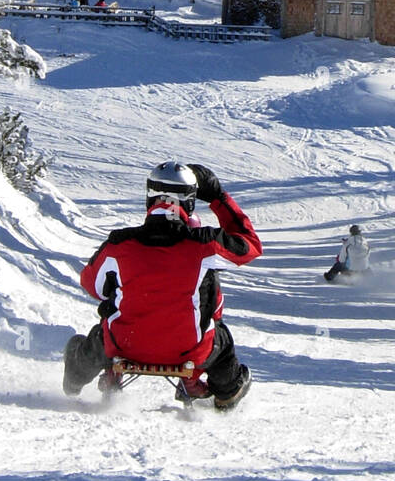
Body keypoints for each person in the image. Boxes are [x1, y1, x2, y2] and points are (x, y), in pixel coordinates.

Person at [63, 161, 261, 409]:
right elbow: (251, 245)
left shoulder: (119, 244)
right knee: (221, 338)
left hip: (126, 344)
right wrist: (218, 197)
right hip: (189, 351)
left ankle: (75, 376)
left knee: (104, 331)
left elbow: (92, 285)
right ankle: (226, 391)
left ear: (150, 198)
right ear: (189, 201)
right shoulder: (205, 244)